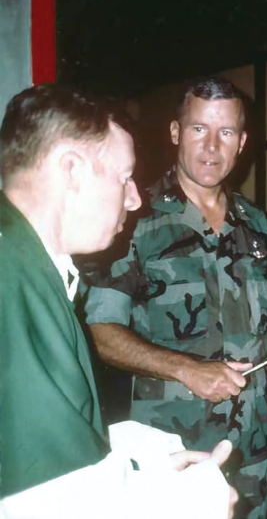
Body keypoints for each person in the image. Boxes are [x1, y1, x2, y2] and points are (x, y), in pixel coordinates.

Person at [0, 84, 237, 518]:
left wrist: (133, 468)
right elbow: (36, 502)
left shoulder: (27, 266)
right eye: (124, 177)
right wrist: (187, 506)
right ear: (71, 170)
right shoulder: (13, 283)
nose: (135, 198)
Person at [84, 76, 267, 519]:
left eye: (225, 132)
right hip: (174, 449)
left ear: (242, 141)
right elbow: (102, 332)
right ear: (175, 133)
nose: (211, 146)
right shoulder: (133, 220)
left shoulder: (258, 225)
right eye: (198, 129)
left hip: (252, 444)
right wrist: (186, 369)